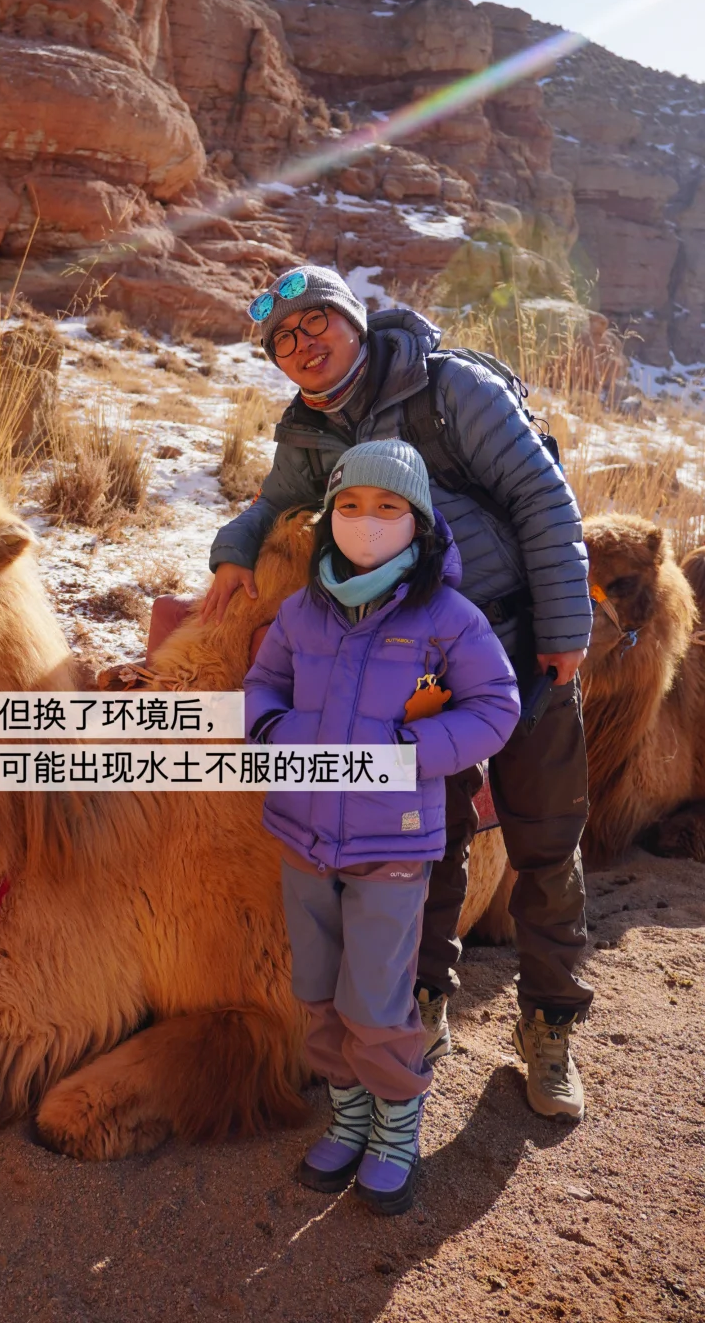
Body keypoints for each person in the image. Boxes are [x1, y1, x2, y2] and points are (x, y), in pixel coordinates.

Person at [208, 265, 594, 1122]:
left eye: (315, 324)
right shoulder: (309, 431)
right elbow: (272, 505)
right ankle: (422, 998)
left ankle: (550, 1023)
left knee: (543, 836)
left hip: (521, 636)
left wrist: (565, 624)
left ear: (354, 322)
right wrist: (232, 552)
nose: (302, 346)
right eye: (283, 341)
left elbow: (541, 496)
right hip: (415, 664)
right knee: (427, 833)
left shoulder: (447, 388)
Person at [245, 440, 520, 1211]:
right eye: (351, 505)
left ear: (418, 521)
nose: (367, 521)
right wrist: (273, 732)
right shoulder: (302, 612)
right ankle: (349, 1117)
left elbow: (496, 707)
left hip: (392, 842)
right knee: (317, 990)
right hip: (303, 833)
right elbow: (264, 684)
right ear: (331, 516)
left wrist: (410, 753)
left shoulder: (448, 619)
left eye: (388, 506)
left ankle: (396, 1126)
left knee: (375, 998)